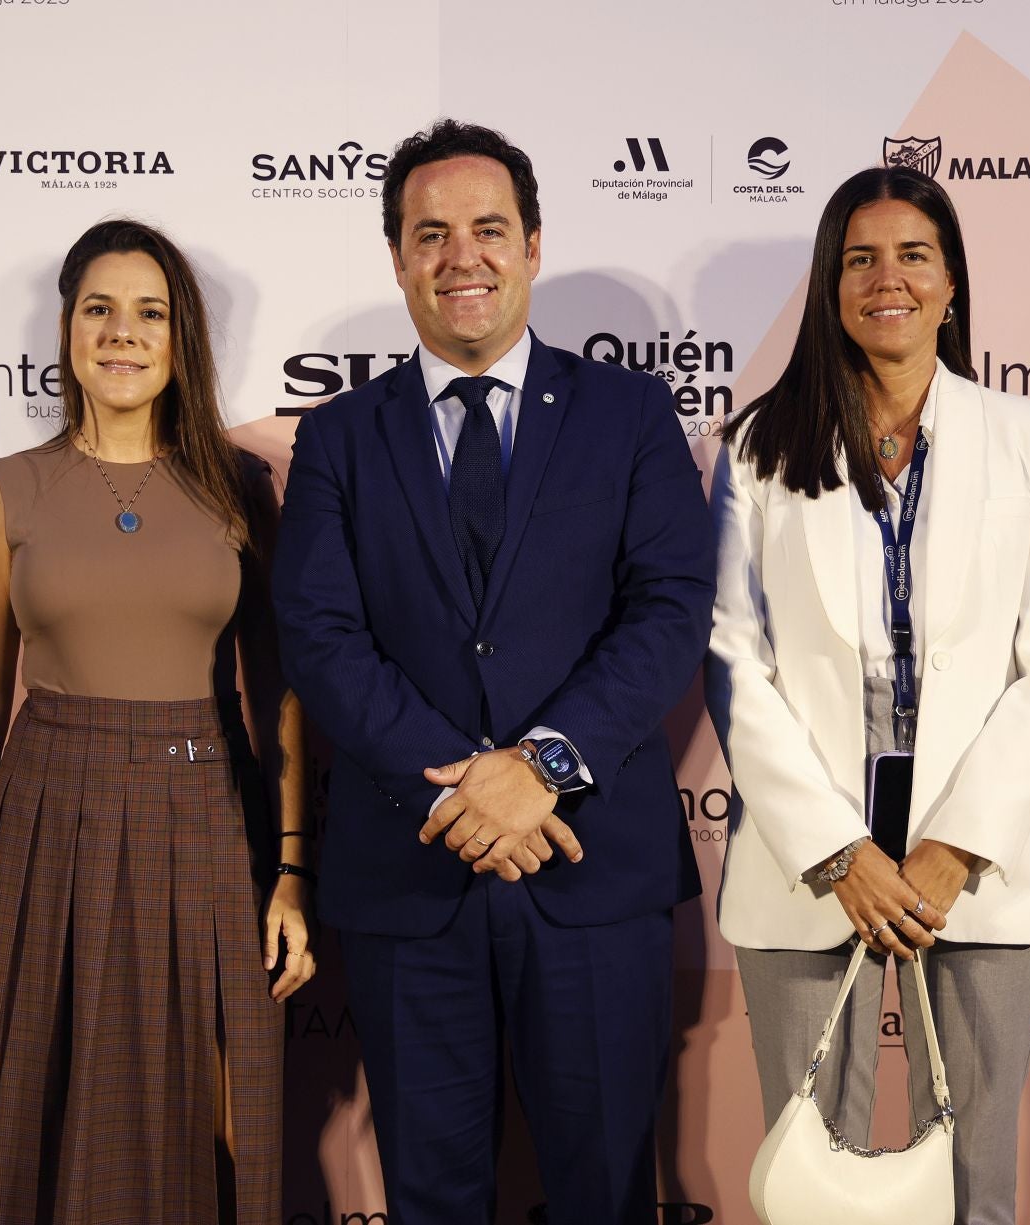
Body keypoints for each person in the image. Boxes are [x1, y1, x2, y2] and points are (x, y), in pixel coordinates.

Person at [272, 120, 714, 1224]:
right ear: (396, 258)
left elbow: (668, 612)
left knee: (604, 1193)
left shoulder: (629, 414)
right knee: (431, 1197)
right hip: (413, 879)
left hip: (591, 874)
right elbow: (322, 638)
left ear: (532, 245)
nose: (460, 257)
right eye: (431, 235)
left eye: (486, 230)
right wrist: (471, 785)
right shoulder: (336, 439)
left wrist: (541, 768)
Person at [706, 166, 1030, 1225]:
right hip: (805, 864)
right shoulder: (755, 448)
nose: (889, 279)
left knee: (975, 1183)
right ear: (831, 287)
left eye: (914, 255)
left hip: (982, 864)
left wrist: (952, 850)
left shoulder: (1028, 439)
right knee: (809, 1181)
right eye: (860, 258)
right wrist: (838, 850)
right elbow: (734, 658)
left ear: (952, 284)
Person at [0, 218, 314, 1224]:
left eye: (150, 313)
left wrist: (291, 874)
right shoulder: (10, 489)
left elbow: (278, 700)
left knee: (225, 1113)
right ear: (67, 330)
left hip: (205, 813)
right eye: (99, 309)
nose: (122, 334)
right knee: (38, 1111)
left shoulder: (239, 490)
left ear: (181, 338)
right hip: (50, 817)